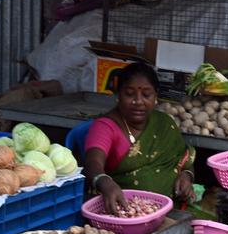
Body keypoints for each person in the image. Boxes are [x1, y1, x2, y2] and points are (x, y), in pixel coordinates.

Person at [84, 62, 196, 213]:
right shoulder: (105, 127)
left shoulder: (164, 123)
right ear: (118, 95)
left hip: (171, 211)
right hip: (124, 211)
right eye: (129, 94)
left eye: (146, 95)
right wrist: (105, 183)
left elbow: (185, 161)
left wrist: (187, 175)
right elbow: (92, 162)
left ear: (156, 96)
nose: (138, 101)